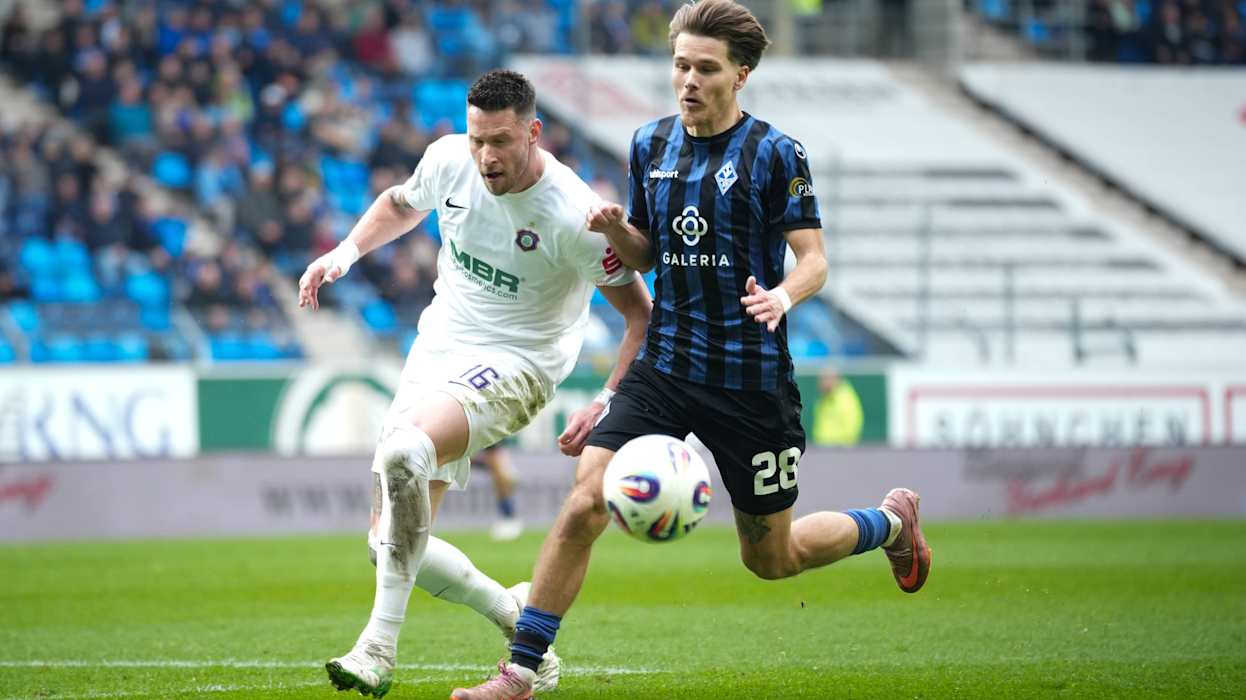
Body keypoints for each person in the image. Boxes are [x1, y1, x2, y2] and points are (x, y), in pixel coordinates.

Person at [451, 3, 932, 698]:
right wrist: (616, 231)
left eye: (706, 68)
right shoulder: (650, 144)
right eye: (681, 65)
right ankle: (523, 672)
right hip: (667, 366)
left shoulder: (776, 153)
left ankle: (888, 523)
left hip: (748, 379)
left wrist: (782, 297)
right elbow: (649, 254)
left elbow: (815, 260)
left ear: (741, 75)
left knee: (771, 559)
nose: (689, 80)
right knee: (585, 501)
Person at [298, 69, 652, 699]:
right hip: (439, 345)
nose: (486, 156)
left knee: (406, 450)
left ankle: (378, 648)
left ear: (533, 133)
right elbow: (399, 205)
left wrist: (605, 400)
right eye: (477, 140)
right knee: (387, 545)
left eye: (501, 142)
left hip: (520, 362)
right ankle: (516, 617)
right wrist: (343, 254)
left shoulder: (573, 214)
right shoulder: (448, 160)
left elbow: (640, 315)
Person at [812, 369, 864, 446]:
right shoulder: (824, 399)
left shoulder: (845, 400)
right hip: (823, 447)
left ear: (834, 379)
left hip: (839, 449)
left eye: (824, 379)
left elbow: (852, 428)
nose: (820, 384)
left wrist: (840, 446)